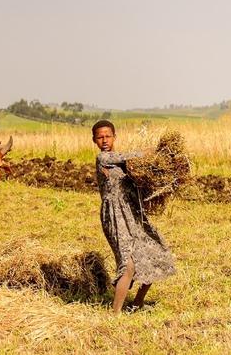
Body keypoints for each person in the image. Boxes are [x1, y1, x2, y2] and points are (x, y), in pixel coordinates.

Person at [92, 119, 175, 314]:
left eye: (108, 136)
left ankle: (137, 303)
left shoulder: (123, 165)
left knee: (154, 255)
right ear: (94, 140)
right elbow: (129, 157)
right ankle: (115, 315)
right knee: (128, 265)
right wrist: (149, 154)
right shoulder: (103, 159)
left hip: (132, 213)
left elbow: (135, 176)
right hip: (115, 216)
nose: (104, 140)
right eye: (100, 137)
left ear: (114, 137)